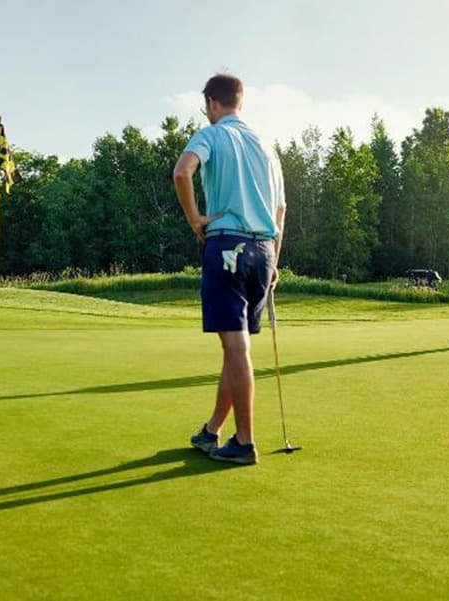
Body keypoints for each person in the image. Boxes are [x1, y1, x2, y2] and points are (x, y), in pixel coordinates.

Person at [172, 74, 286, 465]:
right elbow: (281, 210)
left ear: (211, 102)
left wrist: (194, 219)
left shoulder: (213, 135)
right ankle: (212, 430)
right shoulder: (266, 145)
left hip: (227, 248)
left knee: (236, 347)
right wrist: (274, 261)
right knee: (234, 346)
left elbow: (182, 172)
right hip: (263, 251)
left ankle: (245, 442)